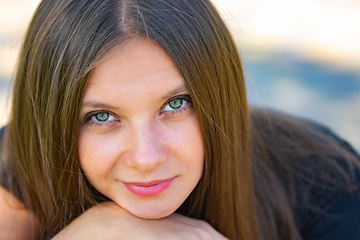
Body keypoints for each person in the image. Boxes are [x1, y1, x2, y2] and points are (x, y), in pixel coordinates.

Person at [0, 0, 359, 239]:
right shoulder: (16, 167)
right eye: (102, 116)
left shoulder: (325, 179)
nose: (146, 157)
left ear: (218, 95)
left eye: (176, 104)